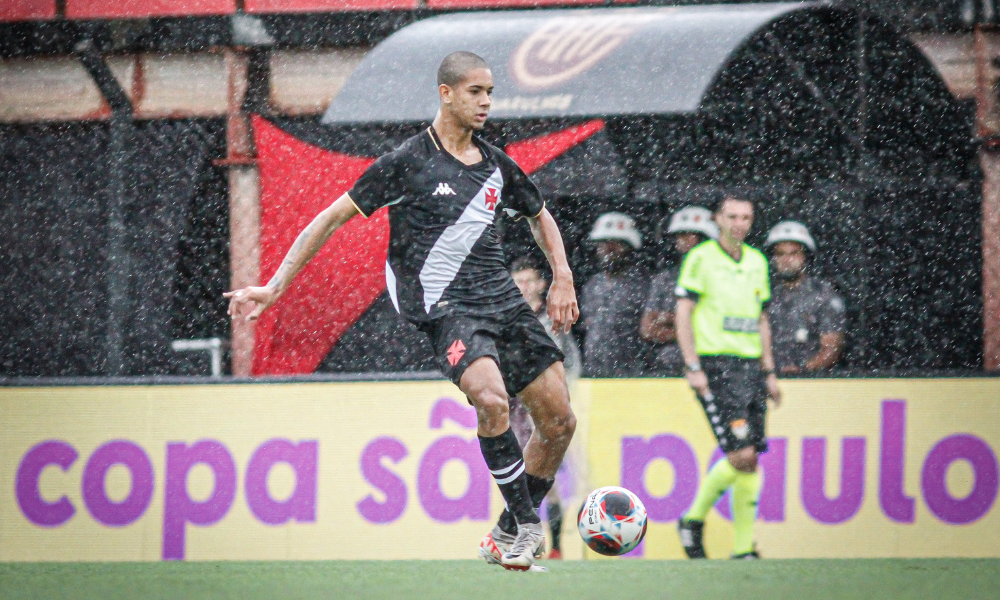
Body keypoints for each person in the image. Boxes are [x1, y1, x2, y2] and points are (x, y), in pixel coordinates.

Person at [225, 51, 578, 572]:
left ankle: (505, 534)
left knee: (560, 423)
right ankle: (527, 527)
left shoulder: (498, 164)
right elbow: (329, 219)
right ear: (446, 93)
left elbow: (539, 215)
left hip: (502, 302)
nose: (486, 102)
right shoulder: (407, 162)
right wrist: (274, 287)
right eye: (476, 92)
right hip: (447, 309)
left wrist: (563, 276)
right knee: (491, 399)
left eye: (490, 93)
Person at [674, 194, 782, 560]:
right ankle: (692, 519)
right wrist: (693, 366)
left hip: (751, 367)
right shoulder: (700, 258)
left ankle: (741, 549)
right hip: (717, 366)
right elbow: (683, 311)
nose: (739, 223)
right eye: (732, 216)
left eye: (746, 218)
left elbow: (762, 319)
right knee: (742, 454)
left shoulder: (757, 262)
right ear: (718, 219)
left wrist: (769, 371)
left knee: (751, 457)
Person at [509, 255, 582, 559]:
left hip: (543, 408)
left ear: (541, 284)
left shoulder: (551, 320)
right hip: (515, 409)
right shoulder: (508, 318)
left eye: (529, 280)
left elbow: (570, 363)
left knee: (545, 474)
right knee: (517, 475)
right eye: (518, 281)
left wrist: (559, 398)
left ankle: (556, 546)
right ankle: (526, 539)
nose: (524, 287)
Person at [640, 206, 719, 374]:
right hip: (666, 368)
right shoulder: (664, 279)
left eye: (689, 234)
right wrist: (690, 329)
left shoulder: (724, 277)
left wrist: (668, 320)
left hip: (712, 368)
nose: (682, 240)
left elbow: (718, 330)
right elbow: (648, 330)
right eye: (679, 235)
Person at [764, 221, 846, 374]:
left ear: (805, 256)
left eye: (793, 253)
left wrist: (802, 370)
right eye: (780, 254)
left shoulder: (824, 296)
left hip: (812, 384)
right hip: (766, 381)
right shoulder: (764, 294)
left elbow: (831, 348)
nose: (787, 260)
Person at [579, 212, 651, 377]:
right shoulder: (591, 285)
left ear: (629, 247)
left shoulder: (644, 285)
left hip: (632, 374)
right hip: (594, 372)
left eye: (616, 244)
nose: (608, 249)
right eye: (603, 244)